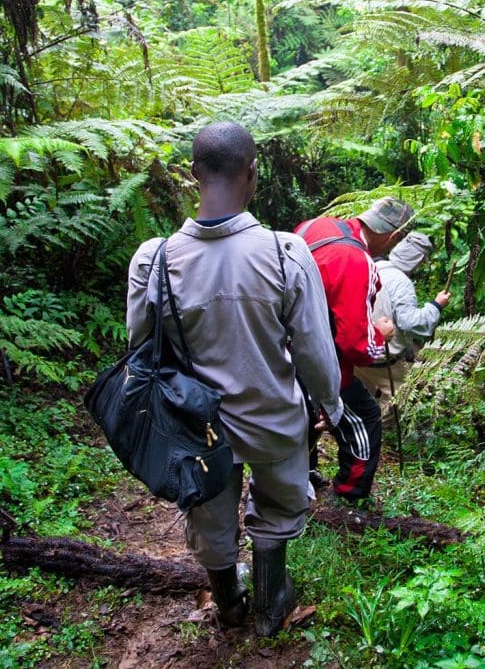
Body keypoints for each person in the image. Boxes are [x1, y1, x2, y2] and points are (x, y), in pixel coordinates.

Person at [125, 122, 343, 637]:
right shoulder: (285, 253)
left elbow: (140, 346)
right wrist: (332, 405)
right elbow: (314, 348)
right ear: (252, 173)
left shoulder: (153, 259)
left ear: (194, 174)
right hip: (274, 422)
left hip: (198, 431)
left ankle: (228, 604)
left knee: (211, 516)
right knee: (279, 507)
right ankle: (271, 608)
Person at [294, 196, 413, 502]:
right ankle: (349, 496)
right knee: (365, 418)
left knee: (303, 415)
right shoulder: (356, 260)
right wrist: (382, 333)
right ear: (393, 236)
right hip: (318, 359)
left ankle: (301, 475)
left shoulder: (312, 226)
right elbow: (356, 344)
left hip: (280, 348)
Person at [355, 231, 450, 423]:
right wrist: (437, 305)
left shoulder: (372, 267)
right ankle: (372, 444)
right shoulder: (400, 282)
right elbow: (412, 323)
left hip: (359, 354)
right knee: (394, 407)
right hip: (384, 360)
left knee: (361, 403)